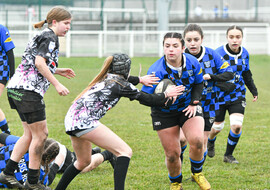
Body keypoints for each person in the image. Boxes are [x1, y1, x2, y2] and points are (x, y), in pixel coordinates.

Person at [54, 53, 185, 190]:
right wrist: (166, 94)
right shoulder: (121, 85)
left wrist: (140, 79)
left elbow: (126, 79)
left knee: (83, 162)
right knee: (124, 151)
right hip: (84, 121)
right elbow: (148, 99)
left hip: (71, 119)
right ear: (127, 68)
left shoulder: (106, 76)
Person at [0, 6, 75, 190]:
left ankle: (7, 173)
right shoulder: (50, 37)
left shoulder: (41, 35)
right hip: (28, 92)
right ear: (54, 22)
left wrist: (57, 70)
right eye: (66, 23)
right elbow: (39, 62)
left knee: (29, 135)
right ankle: (32, 183)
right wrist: (57, 84)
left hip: (15, 89)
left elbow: (32, 62)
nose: (68, 27)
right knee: (41, 135)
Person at [141, 32, 208, 190]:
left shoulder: (192, 62)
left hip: (187, 107)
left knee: (198, 141)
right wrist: (164, 95)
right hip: (164, 114)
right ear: (163, 48)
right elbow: (143, 98)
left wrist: (194, 103)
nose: (171, 49)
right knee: (172, 155)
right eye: (167, 46)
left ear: (183, 48)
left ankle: (197, 173)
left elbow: (199, 83)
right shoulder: (156, 71)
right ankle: (176, 183)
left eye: (175, 46)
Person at [179, 23, 234, 188]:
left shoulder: (212, 55)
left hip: (209, 104)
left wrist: (211, 76)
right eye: (189, 40)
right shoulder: (180, 56)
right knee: (182, 140)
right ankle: (178, 170)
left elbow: (229, 73)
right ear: (185, 41)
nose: (193, 43)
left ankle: (196, 173)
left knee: (201, 141)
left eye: (196, 39)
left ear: (202, 39)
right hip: (186, 104)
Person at [207, 25, 258, 164]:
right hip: (218, 95)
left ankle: (228, 155)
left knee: (236, 126)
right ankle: (210, 140)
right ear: (227, 38)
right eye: (231, 37)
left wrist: (253, 90)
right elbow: (210, 75)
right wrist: (223, 84)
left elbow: (246, 73)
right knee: (217, 127)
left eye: (238, 37)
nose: (235, 40)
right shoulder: (217, 53)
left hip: (237, 94)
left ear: (242, 38)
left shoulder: (245, 53)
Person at [0, 133, 115, 188]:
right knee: (80, 164)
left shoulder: (21, 145)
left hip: (60, 153)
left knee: (79, 164)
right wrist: (57, 163)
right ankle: (100, 153)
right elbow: (49, 179)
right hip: (58, 153)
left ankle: (102, 153)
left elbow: (1, 136)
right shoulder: (36, 176)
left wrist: (58, 161)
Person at [0, 24, 15, 135]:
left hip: (1, 70)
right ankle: (7, 134)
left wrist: (12, 74)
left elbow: (10, 52)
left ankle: (7, 136)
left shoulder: (1, 29)